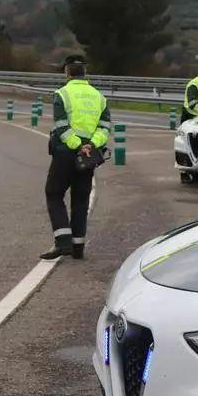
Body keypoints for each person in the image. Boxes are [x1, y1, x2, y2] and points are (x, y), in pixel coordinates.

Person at [41, 55, 111, 260]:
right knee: (81, 199)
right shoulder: (99, 96)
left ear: (67, 73)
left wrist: (78, 146)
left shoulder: (62, 94)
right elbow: (105, 127)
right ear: (84, 73)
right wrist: (91, 145)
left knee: (54, 193)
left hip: (65, 153)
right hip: (88, 156)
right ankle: (78, 247)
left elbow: (61, 126)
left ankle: (63, 243)